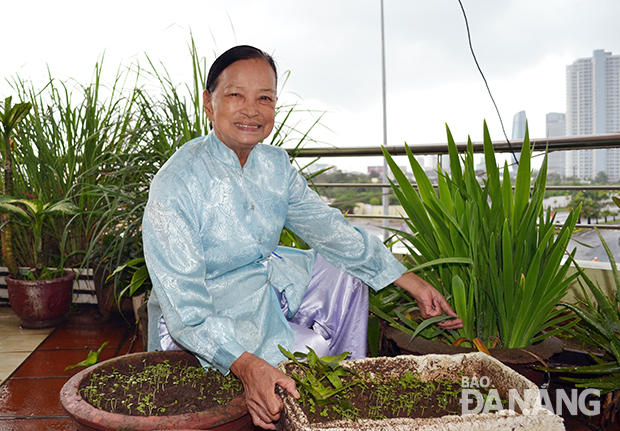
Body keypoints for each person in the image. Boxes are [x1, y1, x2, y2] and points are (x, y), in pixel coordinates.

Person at [142, 45, 462, 429]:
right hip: (205, 311)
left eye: (264, 98)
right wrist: (245, 365)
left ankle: (340, 390)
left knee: (345, 272)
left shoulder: (274, 165)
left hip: (267, 282)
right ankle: (280, 385)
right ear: (209, 103)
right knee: (279, 372)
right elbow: (186, 310)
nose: (251, 109)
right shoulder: (177, 183)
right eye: (235, 95)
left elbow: (330, 230)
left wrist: (411, 282)